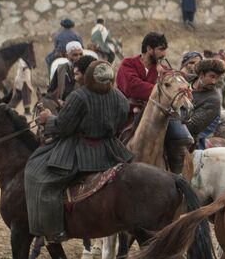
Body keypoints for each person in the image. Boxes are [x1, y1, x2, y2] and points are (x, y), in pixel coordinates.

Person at [24, 60, 132, 241]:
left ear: (88, 76)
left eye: (78, 73)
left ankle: (53, 230)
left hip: (81, 152)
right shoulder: (120, 97)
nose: (75, 75)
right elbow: (120, 121)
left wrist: (47, 119)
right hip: (111, 150)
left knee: (37, 175)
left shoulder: (79, 96)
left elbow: (64, 127)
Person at [116, 31, 191, 174]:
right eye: (161, 50)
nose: (164, 54)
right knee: (108, 136)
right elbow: (133, 87)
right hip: (129, 112)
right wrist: (161, 90)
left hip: (158, 113)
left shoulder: (164, 70)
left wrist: (170, 83)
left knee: (181, 137)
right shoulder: (128, 64)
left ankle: (178, 175)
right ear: (149, 49)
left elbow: (175, 87)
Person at [184, 58, 225, 148]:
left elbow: (192, 126)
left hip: (188, 136)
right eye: (212, 76)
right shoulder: (185, 79)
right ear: (201, 75)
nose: (214, 81)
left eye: (217, 78)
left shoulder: (213, 100)